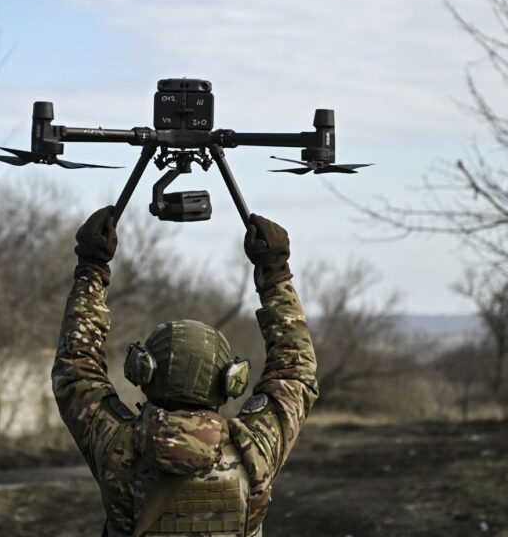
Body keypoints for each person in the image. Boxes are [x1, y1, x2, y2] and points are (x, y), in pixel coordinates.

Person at [52, 206, 318, 537]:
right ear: (229, 381)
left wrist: (92, 269)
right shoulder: (254, 452)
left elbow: (75, 367)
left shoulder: (117, 447)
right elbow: (295, 371)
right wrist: (275, 272)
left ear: (143, 372)